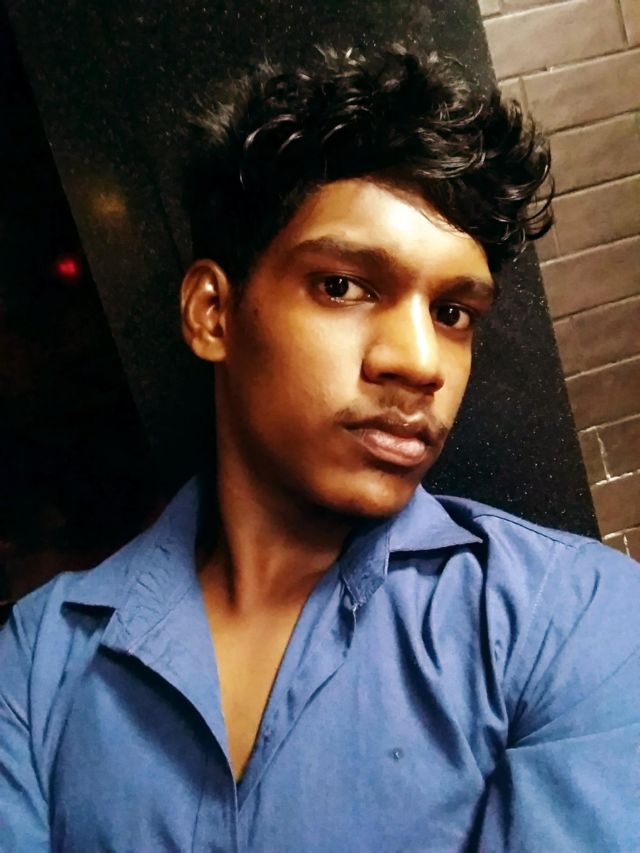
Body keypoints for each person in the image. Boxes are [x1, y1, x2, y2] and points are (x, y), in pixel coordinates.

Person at [1, 47, 639, 852]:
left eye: (452, 313)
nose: (420, 362)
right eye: (343, 285)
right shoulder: (39, 661)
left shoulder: (574, 617)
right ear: (212, 313)